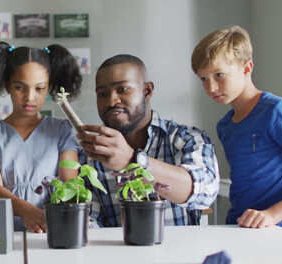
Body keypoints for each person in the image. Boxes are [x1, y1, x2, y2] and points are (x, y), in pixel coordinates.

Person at [79, 54, 219, 227]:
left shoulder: (186, 138)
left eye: (122, 89)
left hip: (181, 253)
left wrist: (132, 160)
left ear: (147, 91)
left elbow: (205, 193)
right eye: (102, 94)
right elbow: (91, 220)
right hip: (117, 253)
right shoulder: (93, 155)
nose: (111, 101)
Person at [192, 25, 282, 232]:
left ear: (246, 68)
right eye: (203, 79)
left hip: (281, 231)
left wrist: (271, 215)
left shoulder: (277, 112)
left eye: (219, 75)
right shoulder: (224, 126)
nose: (211, 87)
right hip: (241, 227)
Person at [0, 42, 82, 233]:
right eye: (20, 87)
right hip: (2, 233)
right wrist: (28, 212)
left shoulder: (63, 130)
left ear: (49, 88)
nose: (30, 97)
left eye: (39, 88)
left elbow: (69, 183)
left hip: (50, 230)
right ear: (7, 86)